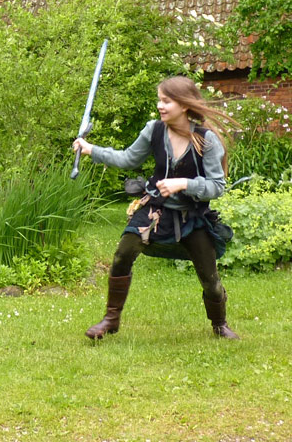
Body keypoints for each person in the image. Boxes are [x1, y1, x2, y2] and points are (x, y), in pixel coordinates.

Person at [73, 76, 239, 340]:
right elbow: (127, 159)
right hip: (154, 210)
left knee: (209, 278)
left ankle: (220, 324)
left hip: (192, 216)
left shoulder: (206, 140)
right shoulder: (154, 130)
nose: (160, 106)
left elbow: (217, 187)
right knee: (123, 254)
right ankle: (111, 319)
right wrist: (91, 149)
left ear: (184, 105)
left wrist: (183, 184)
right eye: (159, 100)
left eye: (166, 101)